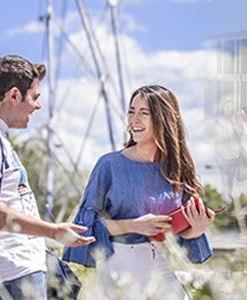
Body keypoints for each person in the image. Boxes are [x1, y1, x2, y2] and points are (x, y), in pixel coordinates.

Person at [0, 55, 93, 299]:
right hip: (7, 275)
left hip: (16, 272)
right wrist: (52, 231)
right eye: (35, 97)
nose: (38, 105)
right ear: (14, 95)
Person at [63, 84, 215, 298]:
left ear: (163, 119)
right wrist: (135, 225)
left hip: (165, 270)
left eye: (144, 113)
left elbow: (181, 237)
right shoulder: (109, 165)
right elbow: (85, 227)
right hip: (121, 268)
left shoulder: (177, 169)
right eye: (131, 111)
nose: (134, 120)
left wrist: (196, 229)